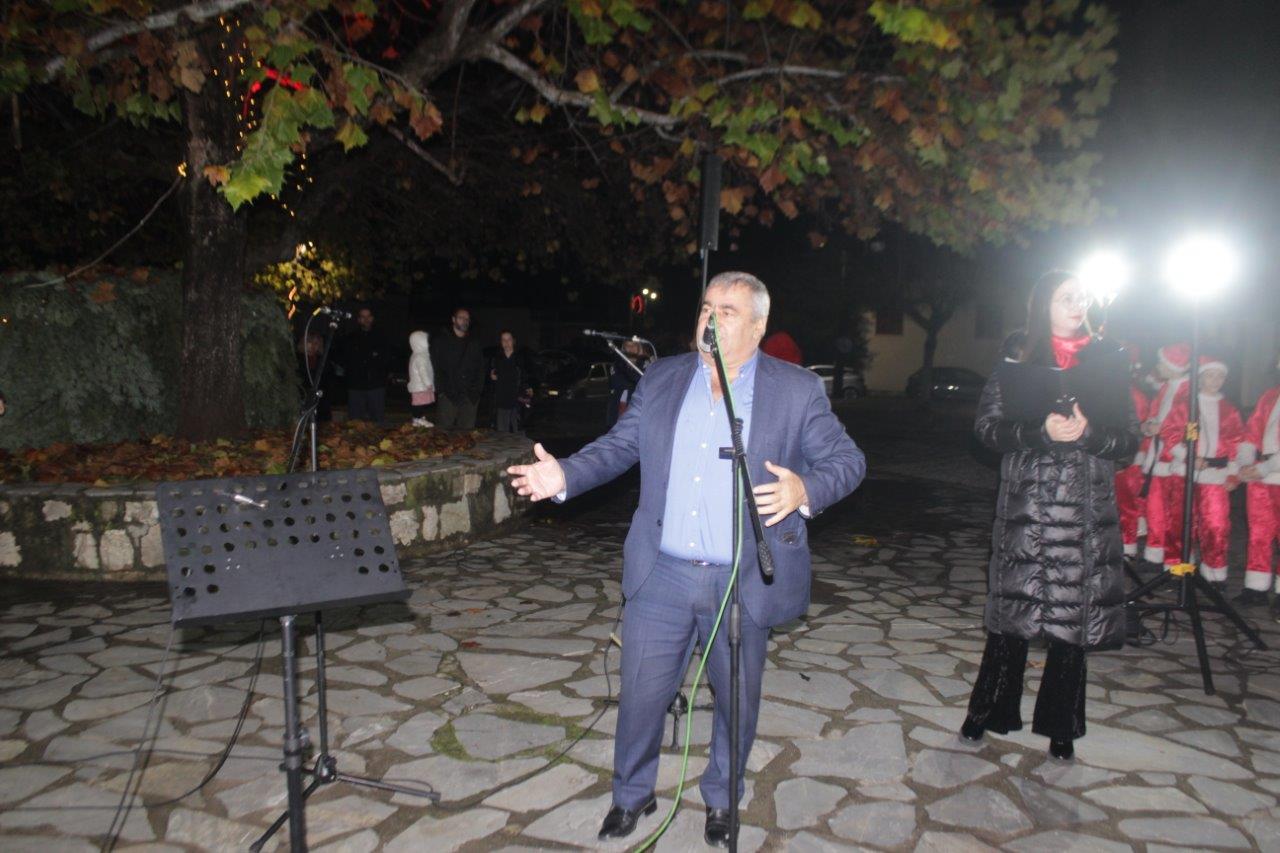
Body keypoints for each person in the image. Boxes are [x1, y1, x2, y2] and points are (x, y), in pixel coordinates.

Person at [507, 271, 865, 846]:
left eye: (727, 311)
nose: (710, 319)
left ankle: (722, 799)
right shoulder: (664, 377)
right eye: (706, 307)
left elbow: (848, 461)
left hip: (739, 581)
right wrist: (565, 475)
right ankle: (632, 796)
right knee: (641, 696)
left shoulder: (796, 390)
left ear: (758, 326)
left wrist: (804, 489)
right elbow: (620, 446)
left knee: (736, 703)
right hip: (662, 575)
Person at [959, 270, 1138, 762]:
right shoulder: (1017, 357)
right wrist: (1041, 432)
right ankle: (986, 711)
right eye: (1066, 297)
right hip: (1028, 508)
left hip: (1084, 511)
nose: (1077, 304)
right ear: (1044, 306)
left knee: (1071, 622)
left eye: (1082, 297)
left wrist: (1089, 434)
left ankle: (1062, 727)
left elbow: (1129, 441)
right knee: (1012, 614)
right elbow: (987, 430)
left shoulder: (1107, 359)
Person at [1158, 357, 1242, 587]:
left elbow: (1236, 441)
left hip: (1216, 475)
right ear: (1201, 377)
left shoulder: (1229, 409)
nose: (1215, 380)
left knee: (1216, 524)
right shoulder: (1187, 406)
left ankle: (1214, 573)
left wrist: (1233, 472)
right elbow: (1170, 434)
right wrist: (1189, 457)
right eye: (1210, 375)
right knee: (1180, 523)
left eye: (1220, 376)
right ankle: (1178, 570)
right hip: (1186, 473)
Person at [1137, 343, 1191, 564]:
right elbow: (1154, 415)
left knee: (1177, 514)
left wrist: (1165, 434)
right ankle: (1155, 553)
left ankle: (1175, 559)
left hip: (1176, 461)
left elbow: (1185, 426)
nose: (1158, 366)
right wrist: (1148, 426)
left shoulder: (1189, 392)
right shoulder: (1165, 388)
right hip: (1158, 458)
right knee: (1155, 509)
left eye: (1162, 362)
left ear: (1174, 365)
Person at [1238, 359, 1280, 613]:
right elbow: (1252, 431)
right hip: (1261, 478)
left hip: (1271, 471)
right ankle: (1256, 587)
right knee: (1259, 533)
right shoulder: (1270, 396)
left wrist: (1265, 467)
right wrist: (1245, 464)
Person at [1116, 346, 1150, 557]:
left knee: (1126, 506)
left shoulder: (1134, 395)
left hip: (1127, 461)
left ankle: (1127, 550)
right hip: (1114, 457)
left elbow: (1137, 429)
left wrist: (1126, 460)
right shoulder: (1110, 390)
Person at [340, 307, 395, 424]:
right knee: (355, 421)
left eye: (368, 316)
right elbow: (345, 359)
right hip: (356, 386)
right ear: (358, 319)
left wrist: (384, 374)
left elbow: (388, 358)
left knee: (377, 421)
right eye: (363, 317)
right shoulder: (351, 338)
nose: (366, 319)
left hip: (376, 385)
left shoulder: (382, 337)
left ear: (372, 318)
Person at [431, 307, 485, 429]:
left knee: (466, 435)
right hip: (448, 395)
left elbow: (481, 368)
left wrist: (477, 391)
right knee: (443, 433)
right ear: (453, 319)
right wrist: (441, 391)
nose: (464, 321)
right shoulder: (441, 341)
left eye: (467, 319)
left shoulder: (474, 342)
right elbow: (435, 367)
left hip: (469, 396)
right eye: (461, 318)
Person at [490, 330, 532, 433]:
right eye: (503, 340)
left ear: (513, 341)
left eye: (509, 339)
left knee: (517, 432)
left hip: (517, 401)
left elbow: (527, 377)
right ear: (501, 342)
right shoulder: (497, 358)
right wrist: (492, 376)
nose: (506, 342)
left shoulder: (521, 358)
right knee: (501, 432)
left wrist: (528, 390)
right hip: (501, 401)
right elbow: (492, 374)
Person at [297, 332, 336, 423]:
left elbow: (329, 383)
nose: (313, 346)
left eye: (316, 343)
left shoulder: (323, 361)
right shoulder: (297, 361)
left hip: (321, 403)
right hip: (302, 401)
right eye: (310, 342)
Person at [407, 330, 436, 428]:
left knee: (420, 403)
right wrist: (428, 383)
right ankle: (417, 418)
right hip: (420, 386)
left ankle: (418, 418)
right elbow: (423, 370)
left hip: (419, 385)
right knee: (419, 403)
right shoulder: (420, 356)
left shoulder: (417, 354)